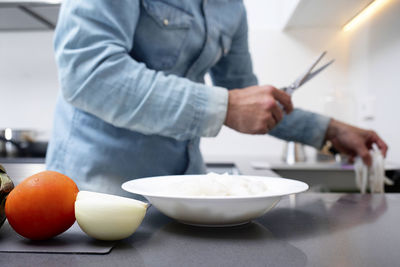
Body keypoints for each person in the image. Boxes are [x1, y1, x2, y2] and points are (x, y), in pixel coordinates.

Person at [46, 0, 388, 196]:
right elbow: (88, 74)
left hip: (180, 191)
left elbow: (249, 95)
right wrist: (225, 106)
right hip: (97, 190)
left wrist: (328, 130)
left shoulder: (232, 9)